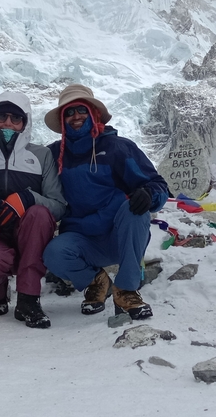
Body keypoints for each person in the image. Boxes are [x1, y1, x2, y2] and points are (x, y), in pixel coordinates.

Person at [43, 84, 169, 320]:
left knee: (135, 211)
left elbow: (158, 184)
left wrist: (149, 195)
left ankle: (126, 290)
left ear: (94, 113)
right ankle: (97, 281)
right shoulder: (52, 156)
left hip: (119, 236)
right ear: (62, 120)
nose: (75, 117)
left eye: (80, 110)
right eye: (68, 113)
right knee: (54, 254)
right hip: (82, 242)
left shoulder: (118, 148)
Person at [0, 91, 66, 329]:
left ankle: (28, 299)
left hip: (30, 233)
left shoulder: (40, 155)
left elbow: (58, 206)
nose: (8, 123)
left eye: (16, 118)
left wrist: (27, 198)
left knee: (40, 213)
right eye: (1, 116)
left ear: (25, 122)